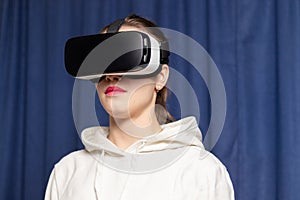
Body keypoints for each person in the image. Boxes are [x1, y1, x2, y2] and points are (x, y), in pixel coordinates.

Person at [45, 14, 234, 200]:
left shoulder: (201, 172)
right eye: (102, 60)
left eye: (126, 58)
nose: (112, 75)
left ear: (160, 77)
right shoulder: (68, 172)